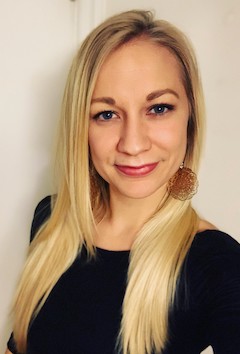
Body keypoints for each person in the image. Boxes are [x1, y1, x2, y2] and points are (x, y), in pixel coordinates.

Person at [6, 9, 240, 354]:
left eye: (158, 108)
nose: (132, 143)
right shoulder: (52, 218)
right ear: (80, 128)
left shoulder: (216, 263)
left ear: (190, 117)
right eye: (107, 114)